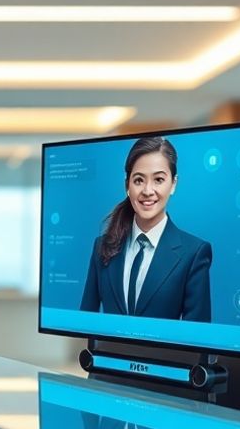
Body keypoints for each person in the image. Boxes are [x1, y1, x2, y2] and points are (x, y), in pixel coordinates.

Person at [79, 136, 212, 322]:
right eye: (139, 180)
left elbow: (199, 336)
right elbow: (85, 320)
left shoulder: (194, 253)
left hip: (165, 353)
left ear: (173, 184)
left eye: (158, 179)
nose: (148, 190)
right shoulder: (102, 246)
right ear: (127, 185)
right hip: (107, 352)